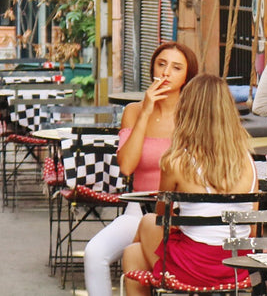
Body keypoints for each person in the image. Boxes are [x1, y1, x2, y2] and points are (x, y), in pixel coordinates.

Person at [123, 75, 256, 296]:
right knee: (132, 253)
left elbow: (162, 217)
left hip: (194, 269)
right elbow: (251, 229)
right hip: (238, 268)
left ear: (186, 111)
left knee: (147, 223)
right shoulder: (248, 162)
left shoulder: (176, 161)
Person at [84, 42, 196, 296]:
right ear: (152, 68)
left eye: (176, 68)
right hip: (139, 210)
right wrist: (145, 111)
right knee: (94, 253)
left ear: (187, 76)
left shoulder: (193, 115)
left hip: (184, 213)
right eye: (161, 64)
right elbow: (126, 166)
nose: (167, 72)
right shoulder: (133, 111)